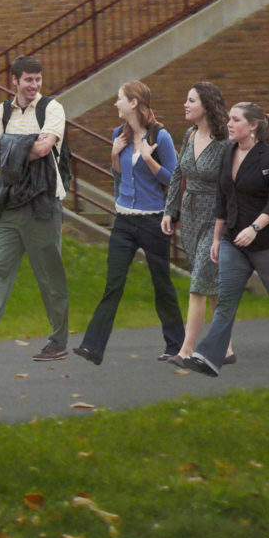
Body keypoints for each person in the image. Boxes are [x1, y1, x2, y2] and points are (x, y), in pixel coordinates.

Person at [0, 55, 69, 362]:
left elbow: (45, 148)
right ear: (14, 81)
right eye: (28, 80)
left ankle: (58, 341)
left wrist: (10, 144)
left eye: (38, 79)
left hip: (43, 205)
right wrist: (25, 144)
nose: (34, 85)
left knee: (48, 276)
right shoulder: (2, 111)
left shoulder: (52, 109)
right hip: (9, 205)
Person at [180, 101, 269, 376]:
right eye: (229, 119)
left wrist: (255, 228)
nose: (229, 124)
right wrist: (216, 239)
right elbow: (223, 199)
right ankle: (210, 357)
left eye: (236, 120)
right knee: (226, 298)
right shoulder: (228, 153)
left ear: (253, 126)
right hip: (233, 240)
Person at [75, 80, 181, 364]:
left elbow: (175, 181)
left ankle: (176, 346)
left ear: (134, 103)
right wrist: (113, 156)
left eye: (119, 98)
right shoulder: (117, 134)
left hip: (154, 222)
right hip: (123, 221)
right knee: (113, 284)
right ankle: (92, 347)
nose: (115, 104)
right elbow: (121, 179)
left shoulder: (162, 137)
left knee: (162, 284)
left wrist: (150, 160)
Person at [163, 82, 232, 363]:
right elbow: (178, 172)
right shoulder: (190, 135)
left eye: (191, 100)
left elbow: (230, 187)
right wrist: (170, 210)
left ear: (206, 105)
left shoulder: (225, 143)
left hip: (215, 217)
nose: (185, 104)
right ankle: (226, 349)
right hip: (190, 216)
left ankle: (187, 350)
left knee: (198, 285)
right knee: (210, 285)